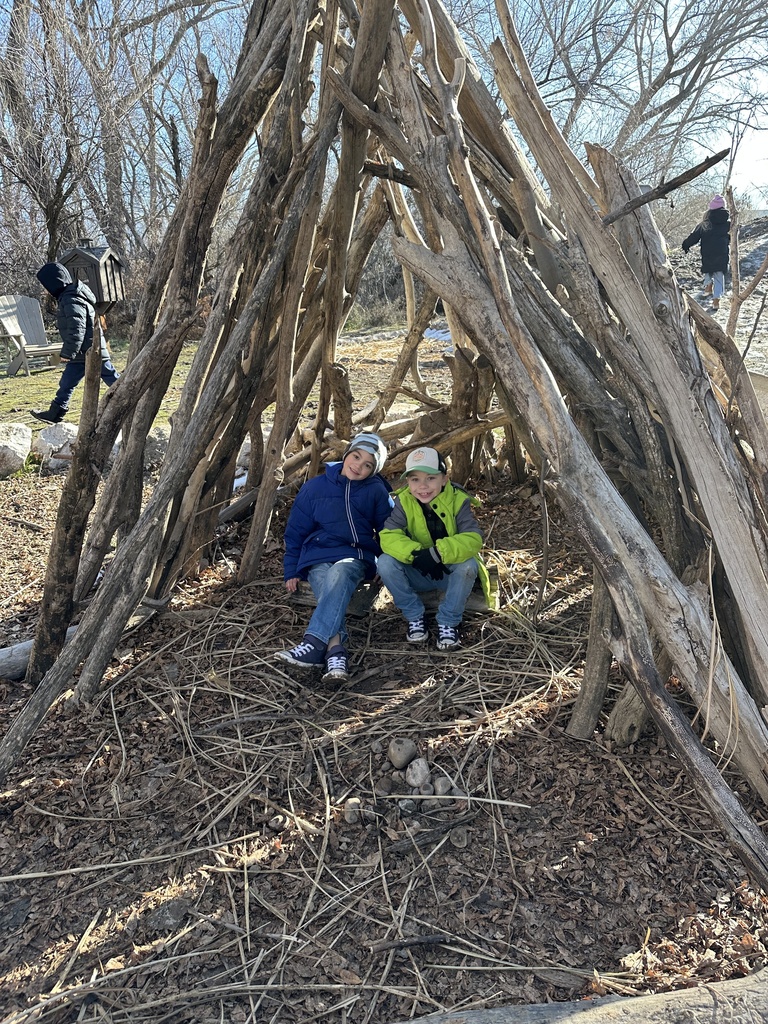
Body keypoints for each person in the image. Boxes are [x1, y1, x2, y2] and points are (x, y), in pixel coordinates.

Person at [276, 432, 391, 683]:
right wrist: (292, 570)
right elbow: (295, 532)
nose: (358, 465)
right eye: (356, 456)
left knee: (339, 572)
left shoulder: (376, 491)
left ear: (374, 470)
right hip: (317, 555)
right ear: (347, 453)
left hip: (356, 555)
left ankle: (314, 641)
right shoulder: (315, 487)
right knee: (324, 575)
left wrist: (386, 560)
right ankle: (335, 653)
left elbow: (389, 531)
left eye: (368, 464)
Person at [377, 446, 492, 650]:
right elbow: (388, 536)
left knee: (468, 565)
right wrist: (416, 554)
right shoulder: (404, 501)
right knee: (385, 562)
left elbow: (473, 538)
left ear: (444, 479)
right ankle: (414, 615)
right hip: (419, 569)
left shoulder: (458, 499)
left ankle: (448, 621)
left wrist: (438, 553)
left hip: (449, 572)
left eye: (430, 478)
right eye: (415, 479)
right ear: (408, 482)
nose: (423, 486)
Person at [31, 262, 120, 423]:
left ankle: (133, 398)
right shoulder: (72, 296)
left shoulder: (71, 299)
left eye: (45, 286)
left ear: (53, 282)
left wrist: (67, 353)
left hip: (88, 350)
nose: (45, 290)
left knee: (111, 379)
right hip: (87, 350)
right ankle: (55, 413)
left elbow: (76, 329)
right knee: (68, 382)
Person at [681, 195, 730, 311]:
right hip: (722, 253)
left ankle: (708, 286)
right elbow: (731, 237)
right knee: (719, 276)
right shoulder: (728, 224)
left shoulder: (705, 224)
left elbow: (694, 237)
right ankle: (716, 301)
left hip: (707, 253)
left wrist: (686, 245)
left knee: (708, 269)